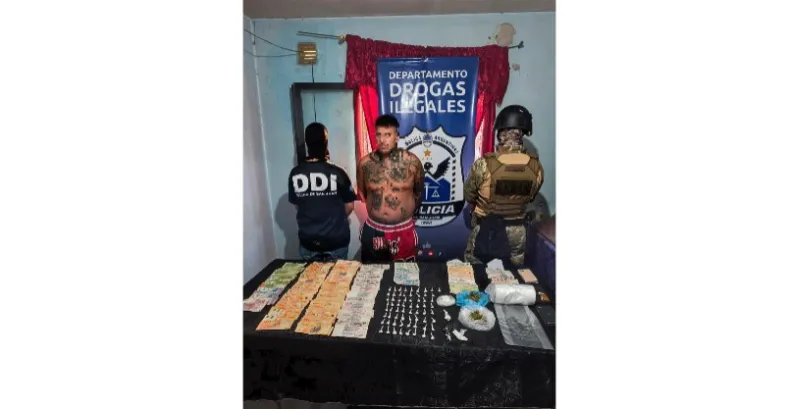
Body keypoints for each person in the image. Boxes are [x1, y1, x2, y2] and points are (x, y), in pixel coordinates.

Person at [463, 105, 544, 267]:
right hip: (517, 234)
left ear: (500, 134)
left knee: (476, 274)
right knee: (513, 278)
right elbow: (531, 196)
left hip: (486, 233)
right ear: (522, 134)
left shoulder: (484, 164)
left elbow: (469, 194)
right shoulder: (536, 167)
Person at [356, 115, 425, 262]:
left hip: (403, 230)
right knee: (371, 274)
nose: (382, 140)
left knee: (404, 275)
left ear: (397, 137)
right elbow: (363, 192)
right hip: (374, 230)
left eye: (387, 135)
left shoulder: (412, 162)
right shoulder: (365, 164)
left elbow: (419, 193)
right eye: (379, 134)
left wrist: (402, 214)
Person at [288, 122, 357, 261]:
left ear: (307, 143)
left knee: (309, 276)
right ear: (326, 142)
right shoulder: (338, 172)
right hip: (336, 242)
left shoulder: (295, 173)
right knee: (338, 276)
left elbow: (298, 204)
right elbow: (349, 206)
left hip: (309, 242)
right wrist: (334, 218)